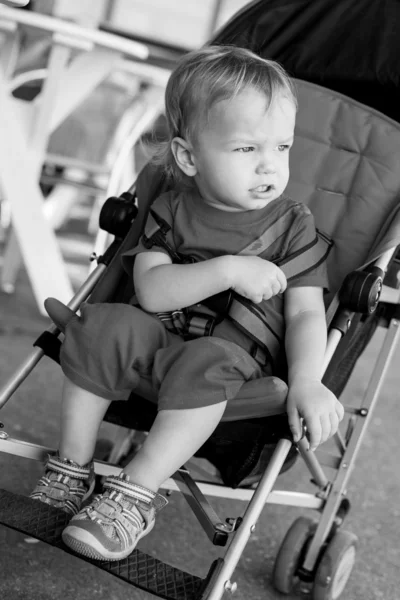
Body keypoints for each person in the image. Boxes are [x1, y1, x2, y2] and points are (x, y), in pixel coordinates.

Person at [30, 45, 344, 561]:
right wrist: (226, 270)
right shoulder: (171, 206)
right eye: (246, 150)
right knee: (103, 323)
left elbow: (307, 312)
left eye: (282, 147)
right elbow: (152, 291)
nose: (270, 165)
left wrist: (309, 381)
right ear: (188, 157)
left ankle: (134, 494)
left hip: (230, 372)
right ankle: (73, 466)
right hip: (155, 347)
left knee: (207, 358)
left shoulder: (292, 225)